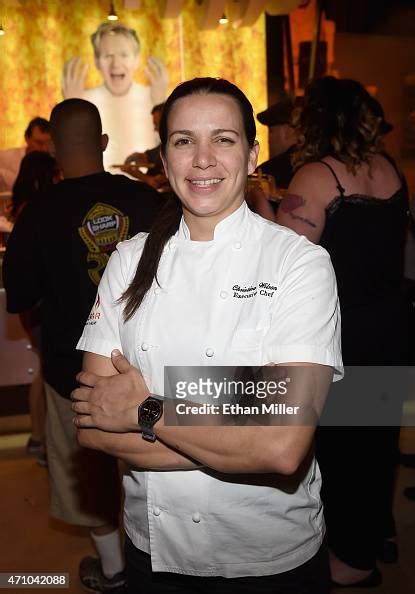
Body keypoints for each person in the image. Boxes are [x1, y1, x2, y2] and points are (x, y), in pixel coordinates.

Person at [71, 77, 342, 594]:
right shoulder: (128, 260)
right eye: (182, 140)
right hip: (153, 553)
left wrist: (145, 410)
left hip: (269, 559)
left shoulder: (299, 265)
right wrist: (246, 418)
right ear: (164, 156)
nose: (202, 159)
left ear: (253, 153)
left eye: (223, 138)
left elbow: (283, 448)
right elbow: (92, 428)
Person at [3, 98, 161, 593]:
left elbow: (20, 297)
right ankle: (158, 565)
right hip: (147, 363)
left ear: (51, 148)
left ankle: (113, 569)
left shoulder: (37, 212)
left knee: (87, 473)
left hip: (72, 370)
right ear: (104, 143)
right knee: (156, 463)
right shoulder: (148, 200)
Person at [276, 76, 410, 587]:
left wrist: (264, 208)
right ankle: (371, 539)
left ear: (315, 119)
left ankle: (351, 562)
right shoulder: (389, 169)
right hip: (392, 325)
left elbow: (288, 257)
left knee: (340, 449)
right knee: (375, 445)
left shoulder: (316, 175)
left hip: (344, 331)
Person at [9, 150, 60, 466]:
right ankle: (40, 439)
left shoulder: (29, 208)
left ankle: (38, 438)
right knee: (45, 374)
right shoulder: (38, 211)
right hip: (42, 303)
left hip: (37, 303)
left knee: (42, 371)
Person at [62, 22, 168, 170]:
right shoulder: (83, 100)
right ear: (96, 61)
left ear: (136, 59)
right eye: (108, 56)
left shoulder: (153, 96)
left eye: (124, 55)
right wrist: (71, 107)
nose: (116, 64)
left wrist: (162, 105)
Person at [0, 117, 51, 192]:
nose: (44, 148)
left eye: (47, 143)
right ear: (27, 138)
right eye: (38, 143)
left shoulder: (53, 162)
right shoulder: (5, 157)